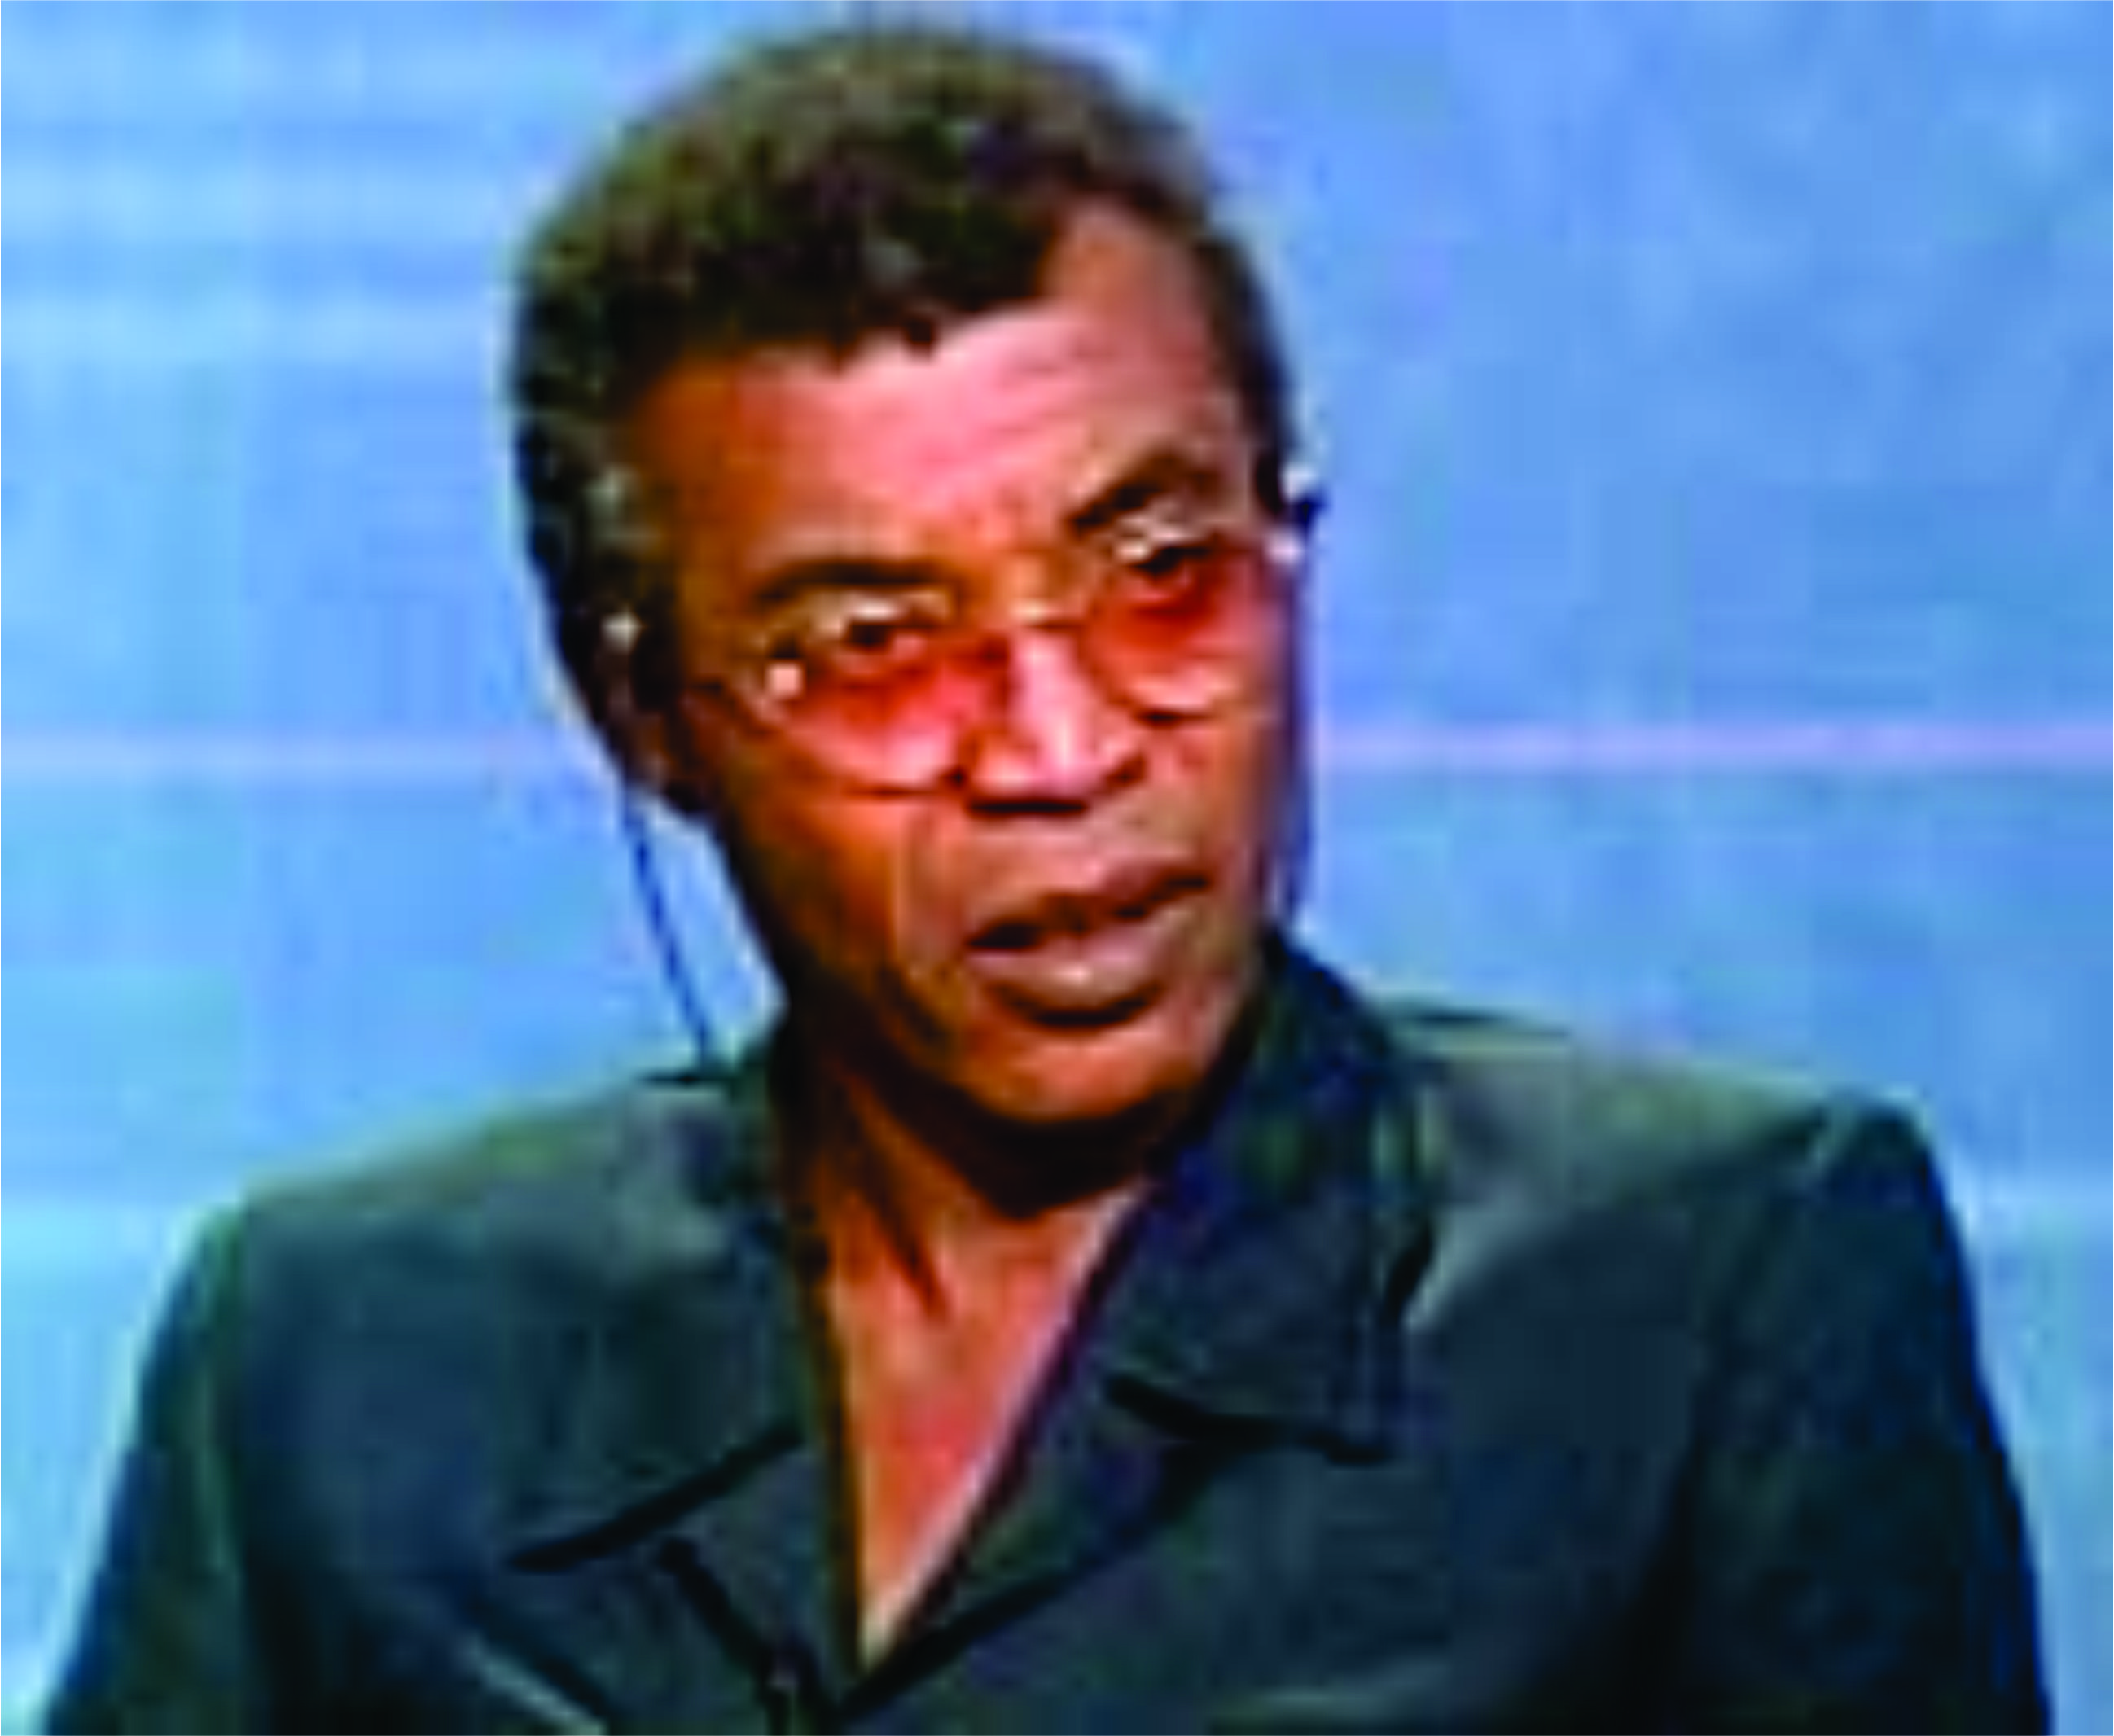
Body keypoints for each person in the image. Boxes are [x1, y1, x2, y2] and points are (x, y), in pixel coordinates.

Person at [48, 17, 2046, 1734]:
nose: (1061, 748)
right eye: (871, 644)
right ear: (636, 709)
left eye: (1162, 574)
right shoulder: (335, 1361)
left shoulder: (1700, 1299)